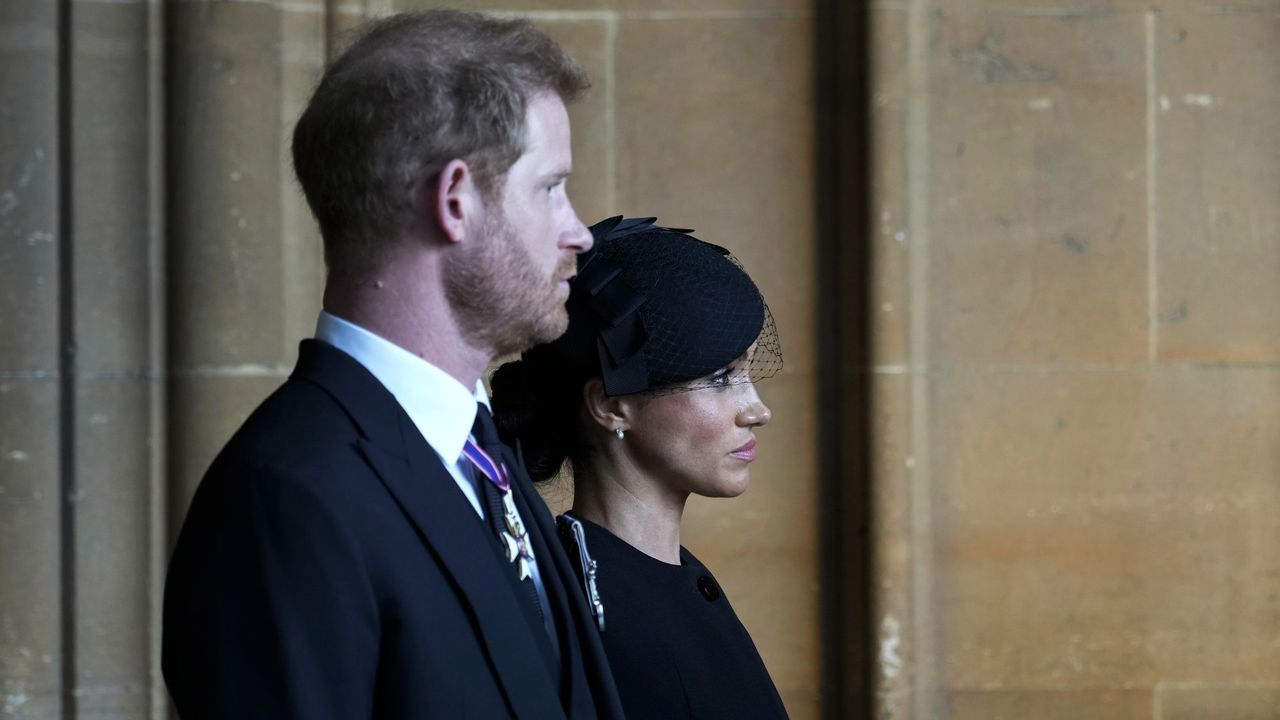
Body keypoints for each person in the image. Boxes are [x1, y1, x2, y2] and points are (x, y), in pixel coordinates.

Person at [162, 10, 624, 719]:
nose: (579, 231)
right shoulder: (288, 498)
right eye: (549, 187)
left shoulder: (479, 455)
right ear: (456, 201)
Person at [490, 216, 789, 719]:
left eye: (745, 372)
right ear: (612, 406)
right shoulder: (583, 609)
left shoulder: (671, 579)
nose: (758, 409)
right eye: (719, 379)